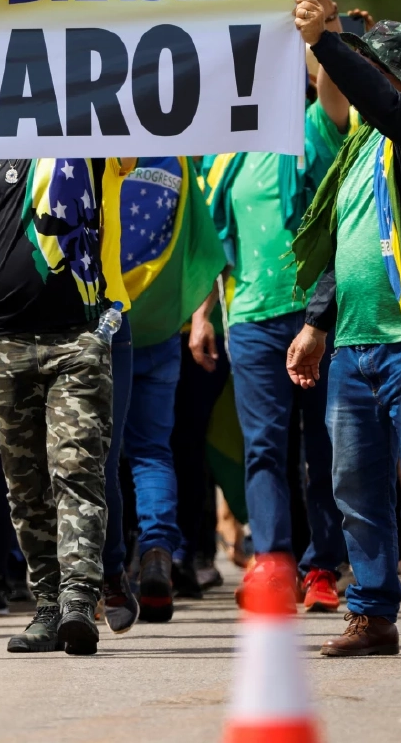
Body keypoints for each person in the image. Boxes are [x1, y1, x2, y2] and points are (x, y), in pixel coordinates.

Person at [0, 157, 126, 656]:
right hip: (1, 345)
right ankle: (48, 606)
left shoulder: (92, 139)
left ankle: (79, 600)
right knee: (24, 484)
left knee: (76, 469)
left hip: (78, 339)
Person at [203, 0, 350, 613]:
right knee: (264, 447)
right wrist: (206, 314)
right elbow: (216, 246)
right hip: (252, 319)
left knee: (323, 448)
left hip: (317, 317)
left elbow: (337, 93)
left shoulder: (312, 130)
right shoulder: (224, 153)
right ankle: (273, 562)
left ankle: (324, 567)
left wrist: (324, 7)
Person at [288, 0, 401, 655]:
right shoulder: (358, 150)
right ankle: (372, 615)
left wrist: (326, 41)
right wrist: (318, 323)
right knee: (353, 483)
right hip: (354, 348)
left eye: (379, 72)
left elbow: (380, 99)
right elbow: (349, 240)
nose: (369, 82)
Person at [112, 158, 226, 623]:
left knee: (96, 454)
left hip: (103, 326)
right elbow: (206, 250)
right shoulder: (176, 160)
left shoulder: (92, 147)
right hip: (162, 329)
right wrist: (200, 318)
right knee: (153, 452)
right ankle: (157, 550)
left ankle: (109, 571)